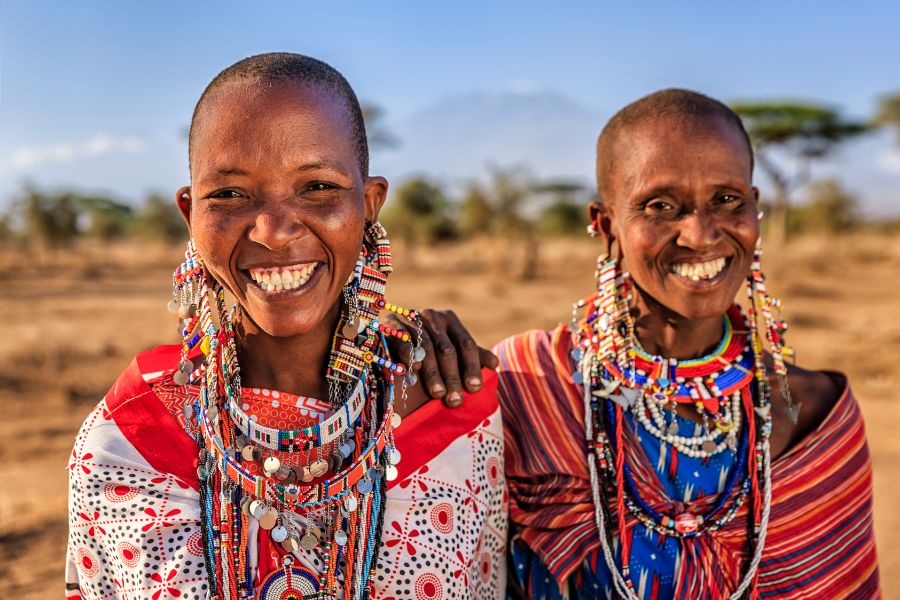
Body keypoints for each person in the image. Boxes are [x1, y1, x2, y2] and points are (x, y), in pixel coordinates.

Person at [65, 53, 507, 600]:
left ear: (369, 204)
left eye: (317, 186)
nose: (273, 232)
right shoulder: (126, 444)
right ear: (191, 213)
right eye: (229, 194)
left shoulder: (454, 415)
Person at [416, 89, 880, 598]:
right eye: (661, 206)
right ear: (606, 224)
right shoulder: (531, 385)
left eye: (727, 200)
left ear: (755, 209)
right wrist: (409, 345)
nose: (701, 234)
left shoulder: (815, 417)